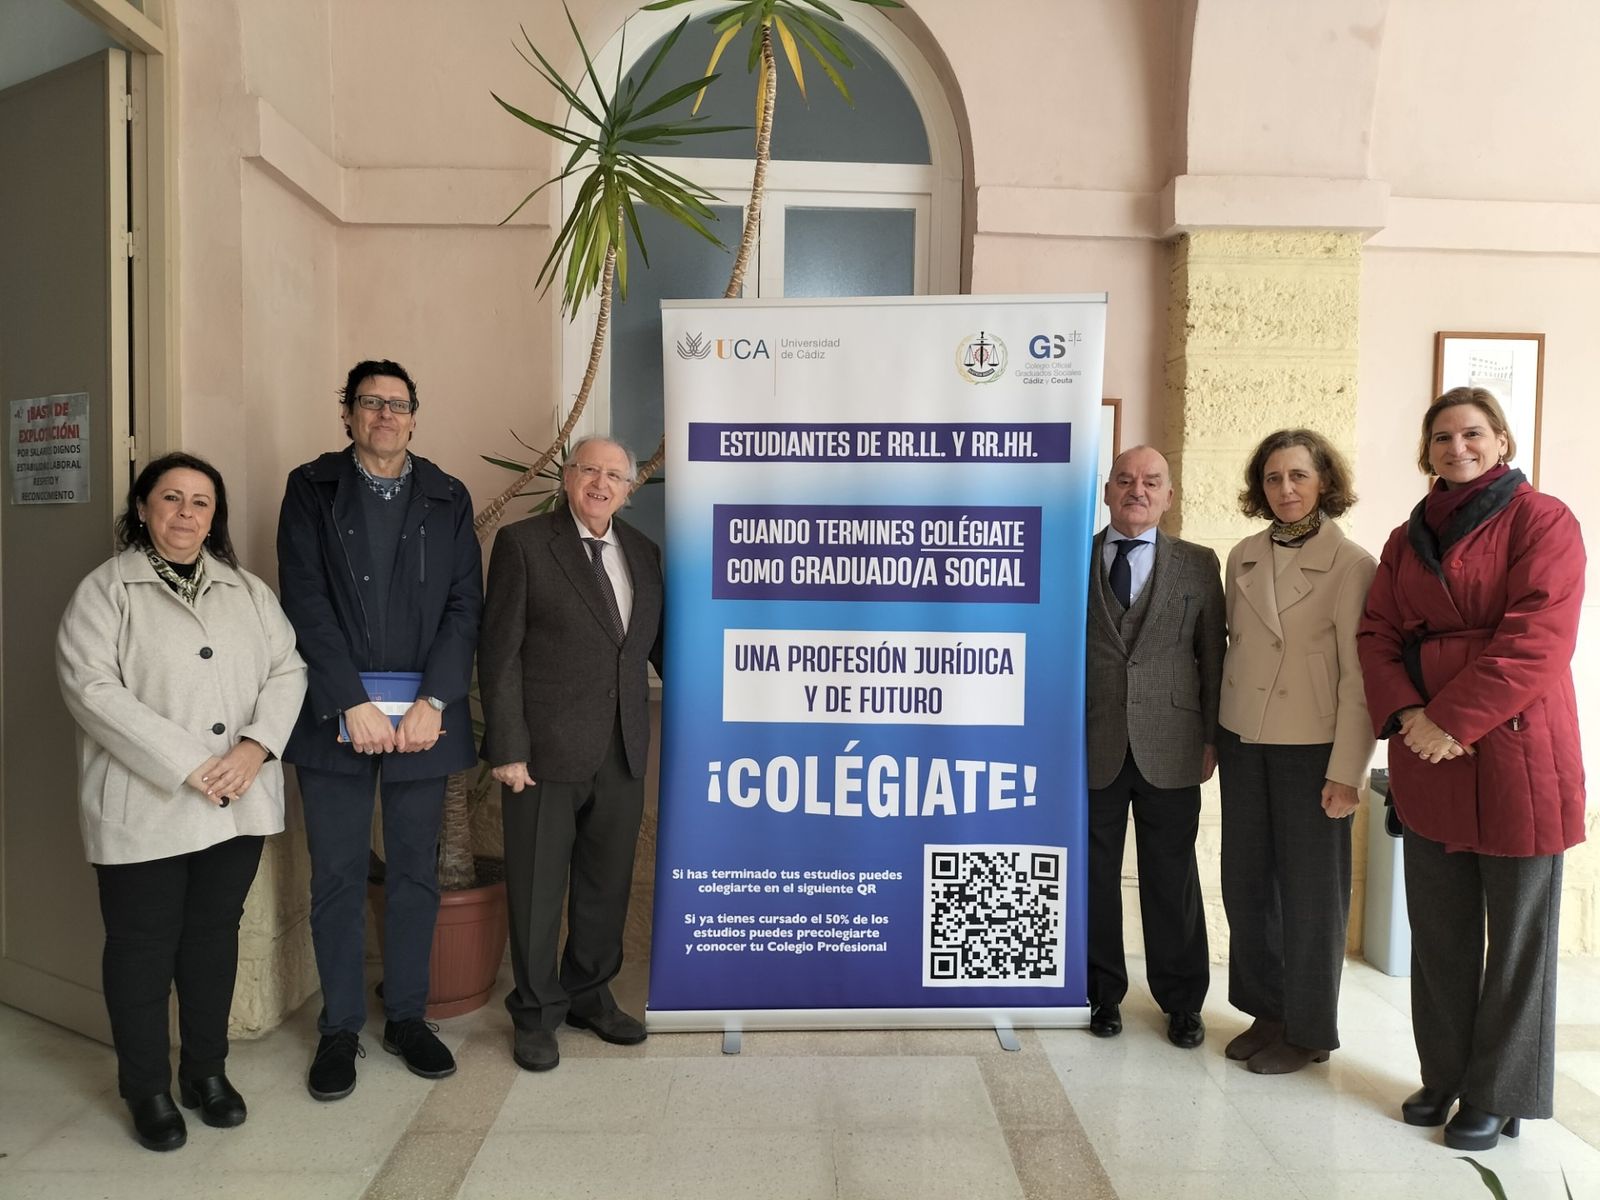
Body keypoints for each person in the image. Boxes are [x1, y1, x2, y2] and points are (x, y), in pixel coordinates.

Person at [56, 452, 307, 1151]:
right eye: (171, 498)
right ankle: (146, 1088)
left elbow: (288, 669)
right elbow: (92, 690)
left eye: (201, 502)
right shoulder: (106, 592)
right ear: (142, 508)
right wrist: (194, 764)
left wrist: (255, 749)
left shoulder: (247, 591)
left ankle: (206, 1071)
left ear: (213, 516)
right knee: (140, 951)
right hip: (146, 807)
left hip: (238, 801)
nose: (186, 513)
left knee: (210, 943)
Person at [1357, 387, 1584, 1151]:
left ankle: (1500, 1092)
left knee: (1518, 941)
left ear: (1502, 440)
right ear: (1426, 451)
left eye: (1473, 434)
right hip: (1425, 750)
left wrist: (1450, 720)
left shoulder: (1542, 519)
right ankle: (1445, 1075)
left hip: (1517, 750)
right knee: (1442, 933)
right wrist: (1409, 720)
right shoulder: (1403, 535)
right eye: (1443, 437)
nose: (1458, 447)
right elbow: (1377, 631)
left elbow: (1539, 636)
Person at [277, 359, 482, 1101]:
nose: (385, 415)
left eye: (397, 405)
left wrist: (436, 700)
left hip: (426, 722)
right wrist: (347, 699)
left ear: (414, 417)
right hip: (338, 716)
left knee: (416, 875)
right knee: (335, 876)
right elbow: (302, 595)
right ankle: (339, 1028)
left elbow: (465, 606)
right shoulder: (311, 488)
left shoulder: (448, 496)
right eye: (370, 403)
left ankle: (405, 1017)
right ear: (348, 415)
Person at [478, 434, 664, 1072]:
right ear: (567, 476)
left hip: (622, 750)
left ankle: (589, 994)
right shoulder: (525, 545)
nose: (602, 483)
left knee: (605, 885)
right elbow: (498, 653)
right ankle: (534, 1013)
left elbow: (646, 648)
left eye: (616, 475)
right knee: (536, 888)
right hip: (539, 756)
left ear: (630, 489)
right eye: (591, 470)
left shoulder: (644, 552)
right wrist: (507, 746)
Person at [1216, 430, 1376, 1074]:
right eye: (1274, 478)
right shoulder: (1244, 555)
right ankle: (1268, 1011)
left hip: (1312, 744)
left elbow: (1359, 678)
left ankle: (1310, 1029)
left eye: (1298, 477)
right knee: (1248, 885)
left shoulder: (1353, 564)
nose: (1285, 489)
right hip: (1243, 737)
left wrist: (1348, 772)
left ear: (1324, 483)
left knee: (1313, 895)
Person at [1084, 445, 1226, 1047]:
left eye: (1151, 481)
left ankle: (1182, 1000)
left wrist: (1214, 737)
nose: (1137, 490)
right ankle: (1101, 993)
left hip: (1174, 744)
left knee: (1172, 875)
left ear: (1169, 495)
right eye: (1125, 480)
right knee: (1093, 874)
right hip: (1091, 743)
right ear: (1108, 491)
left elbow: (1213, 658)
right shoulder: (1076, 556)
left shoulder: (1198, 563)